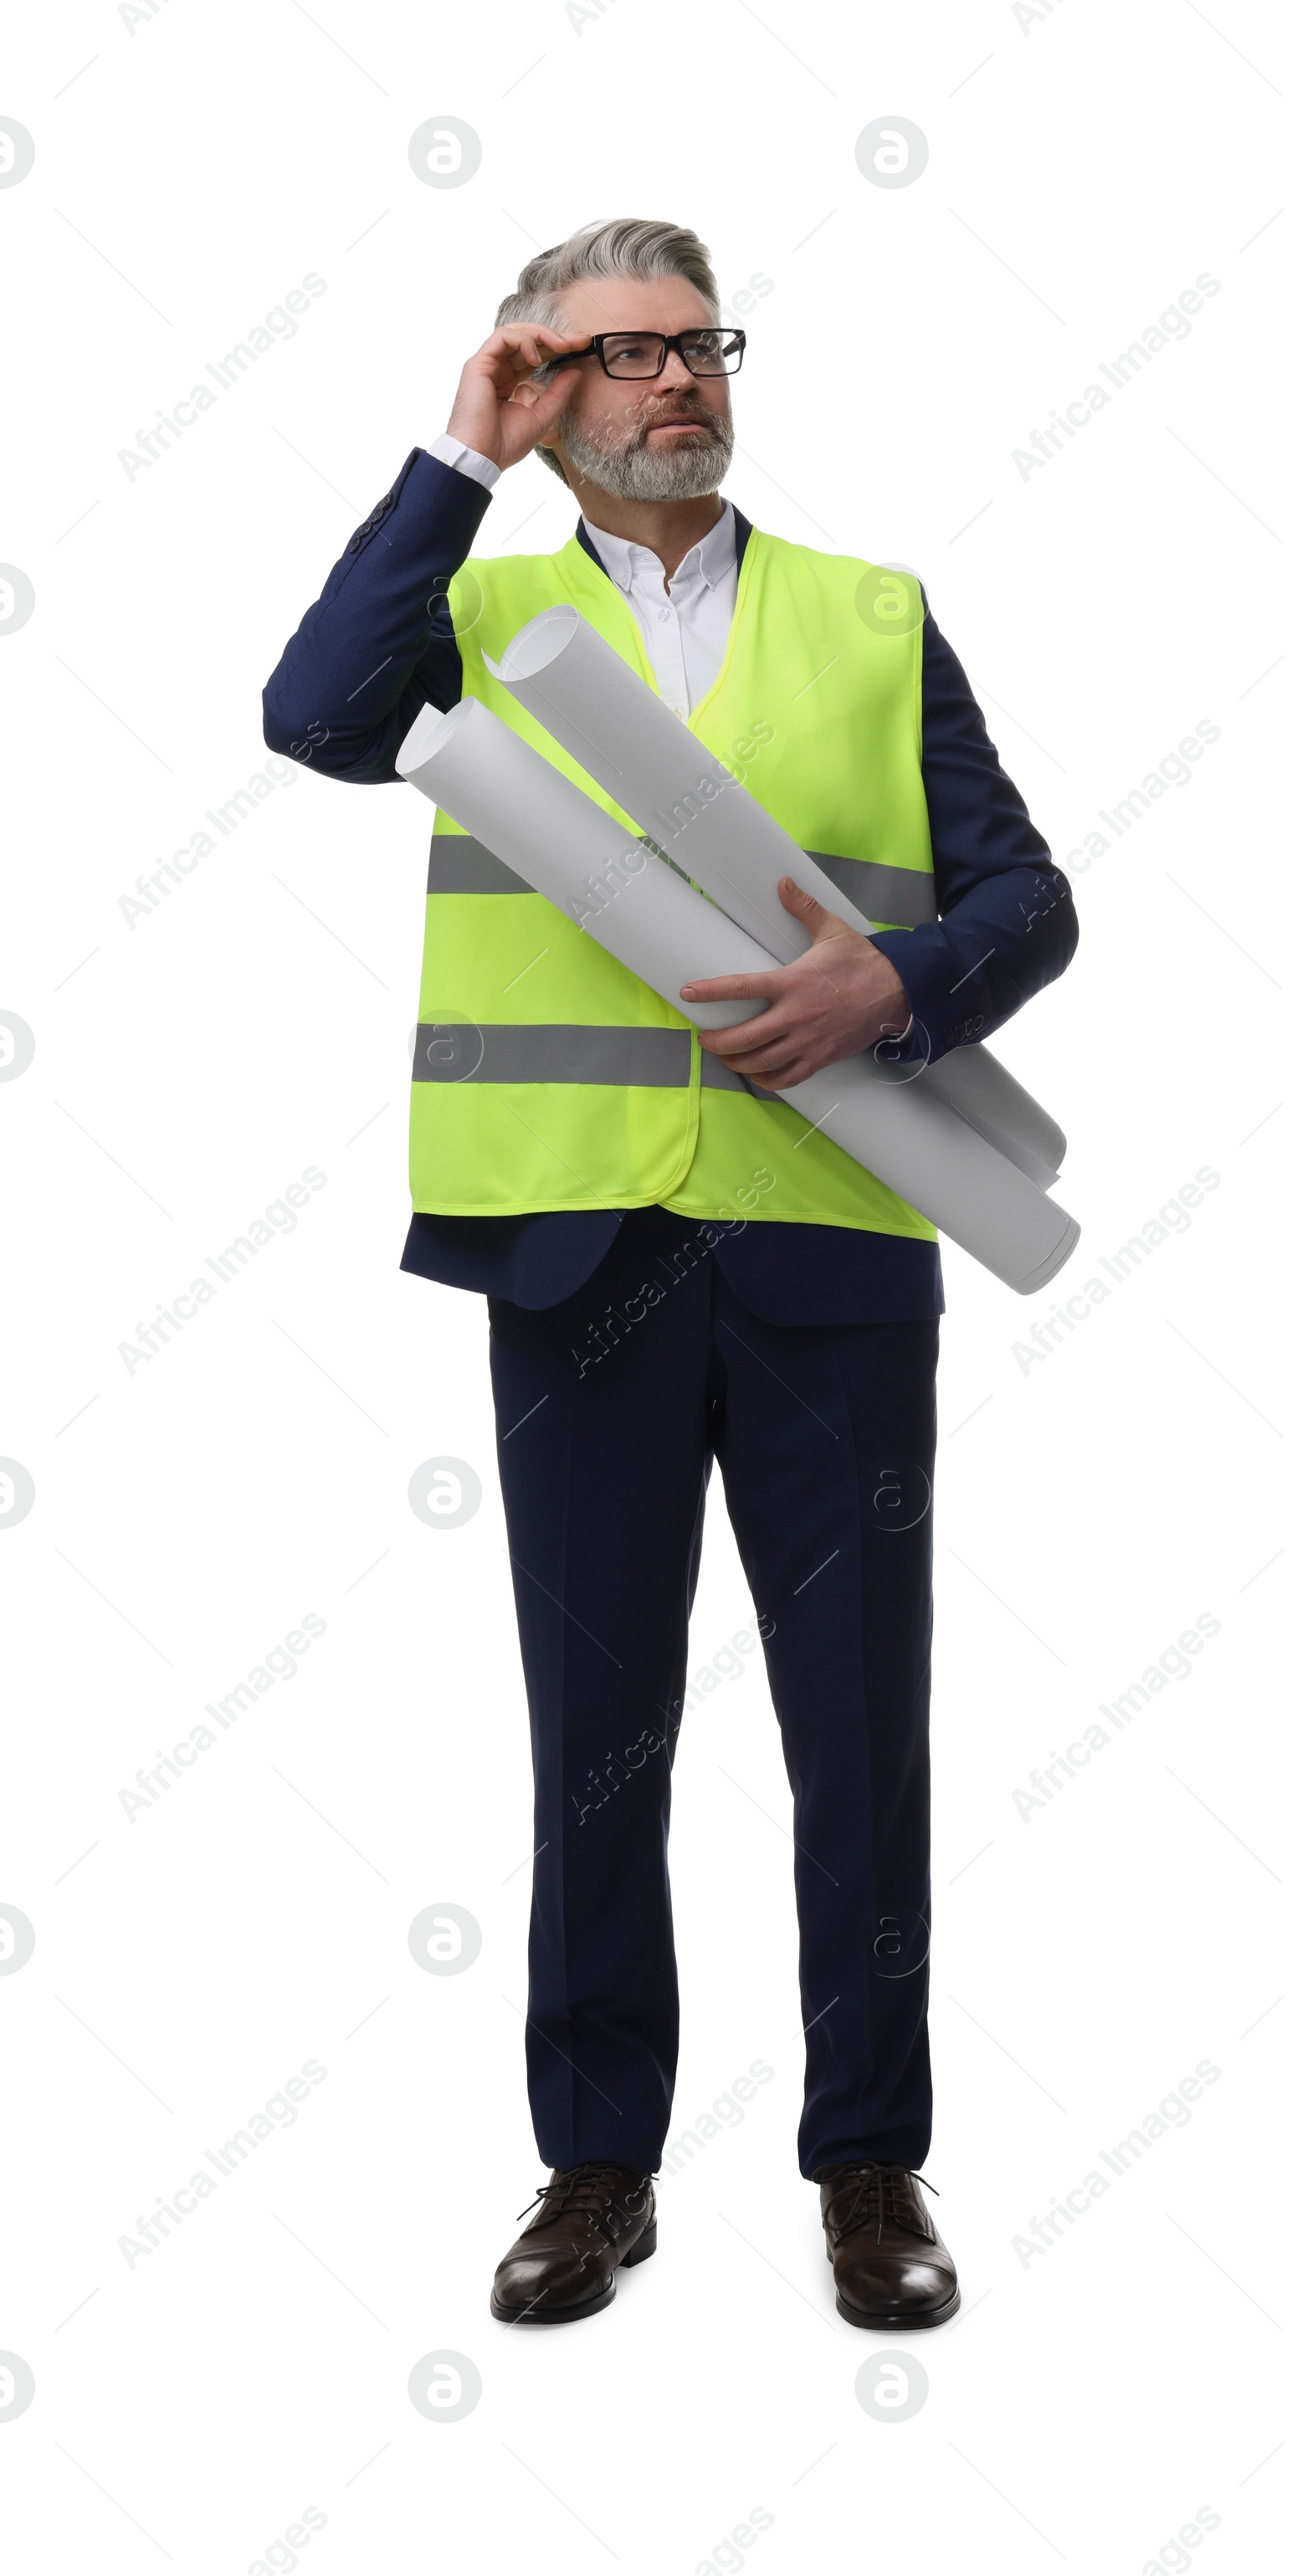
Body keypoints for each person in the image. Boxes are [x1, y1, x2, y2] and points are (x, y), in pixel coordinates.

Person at [263, 216, 1078, 2330]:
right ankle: (594, 2164)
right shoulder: (476, 603)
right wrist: (458, 457)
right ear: (542, 385)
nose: (673, 381)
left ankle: (867, 2164)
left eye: (695, 343)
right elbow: (310, 720)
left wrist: (885, 986)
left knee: (857, 1731)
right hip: (577, 1252)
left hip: (827, 1249)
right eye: (614, 355)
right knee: (595, 1727)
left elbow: (1025, 895)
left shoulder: (870, 616)